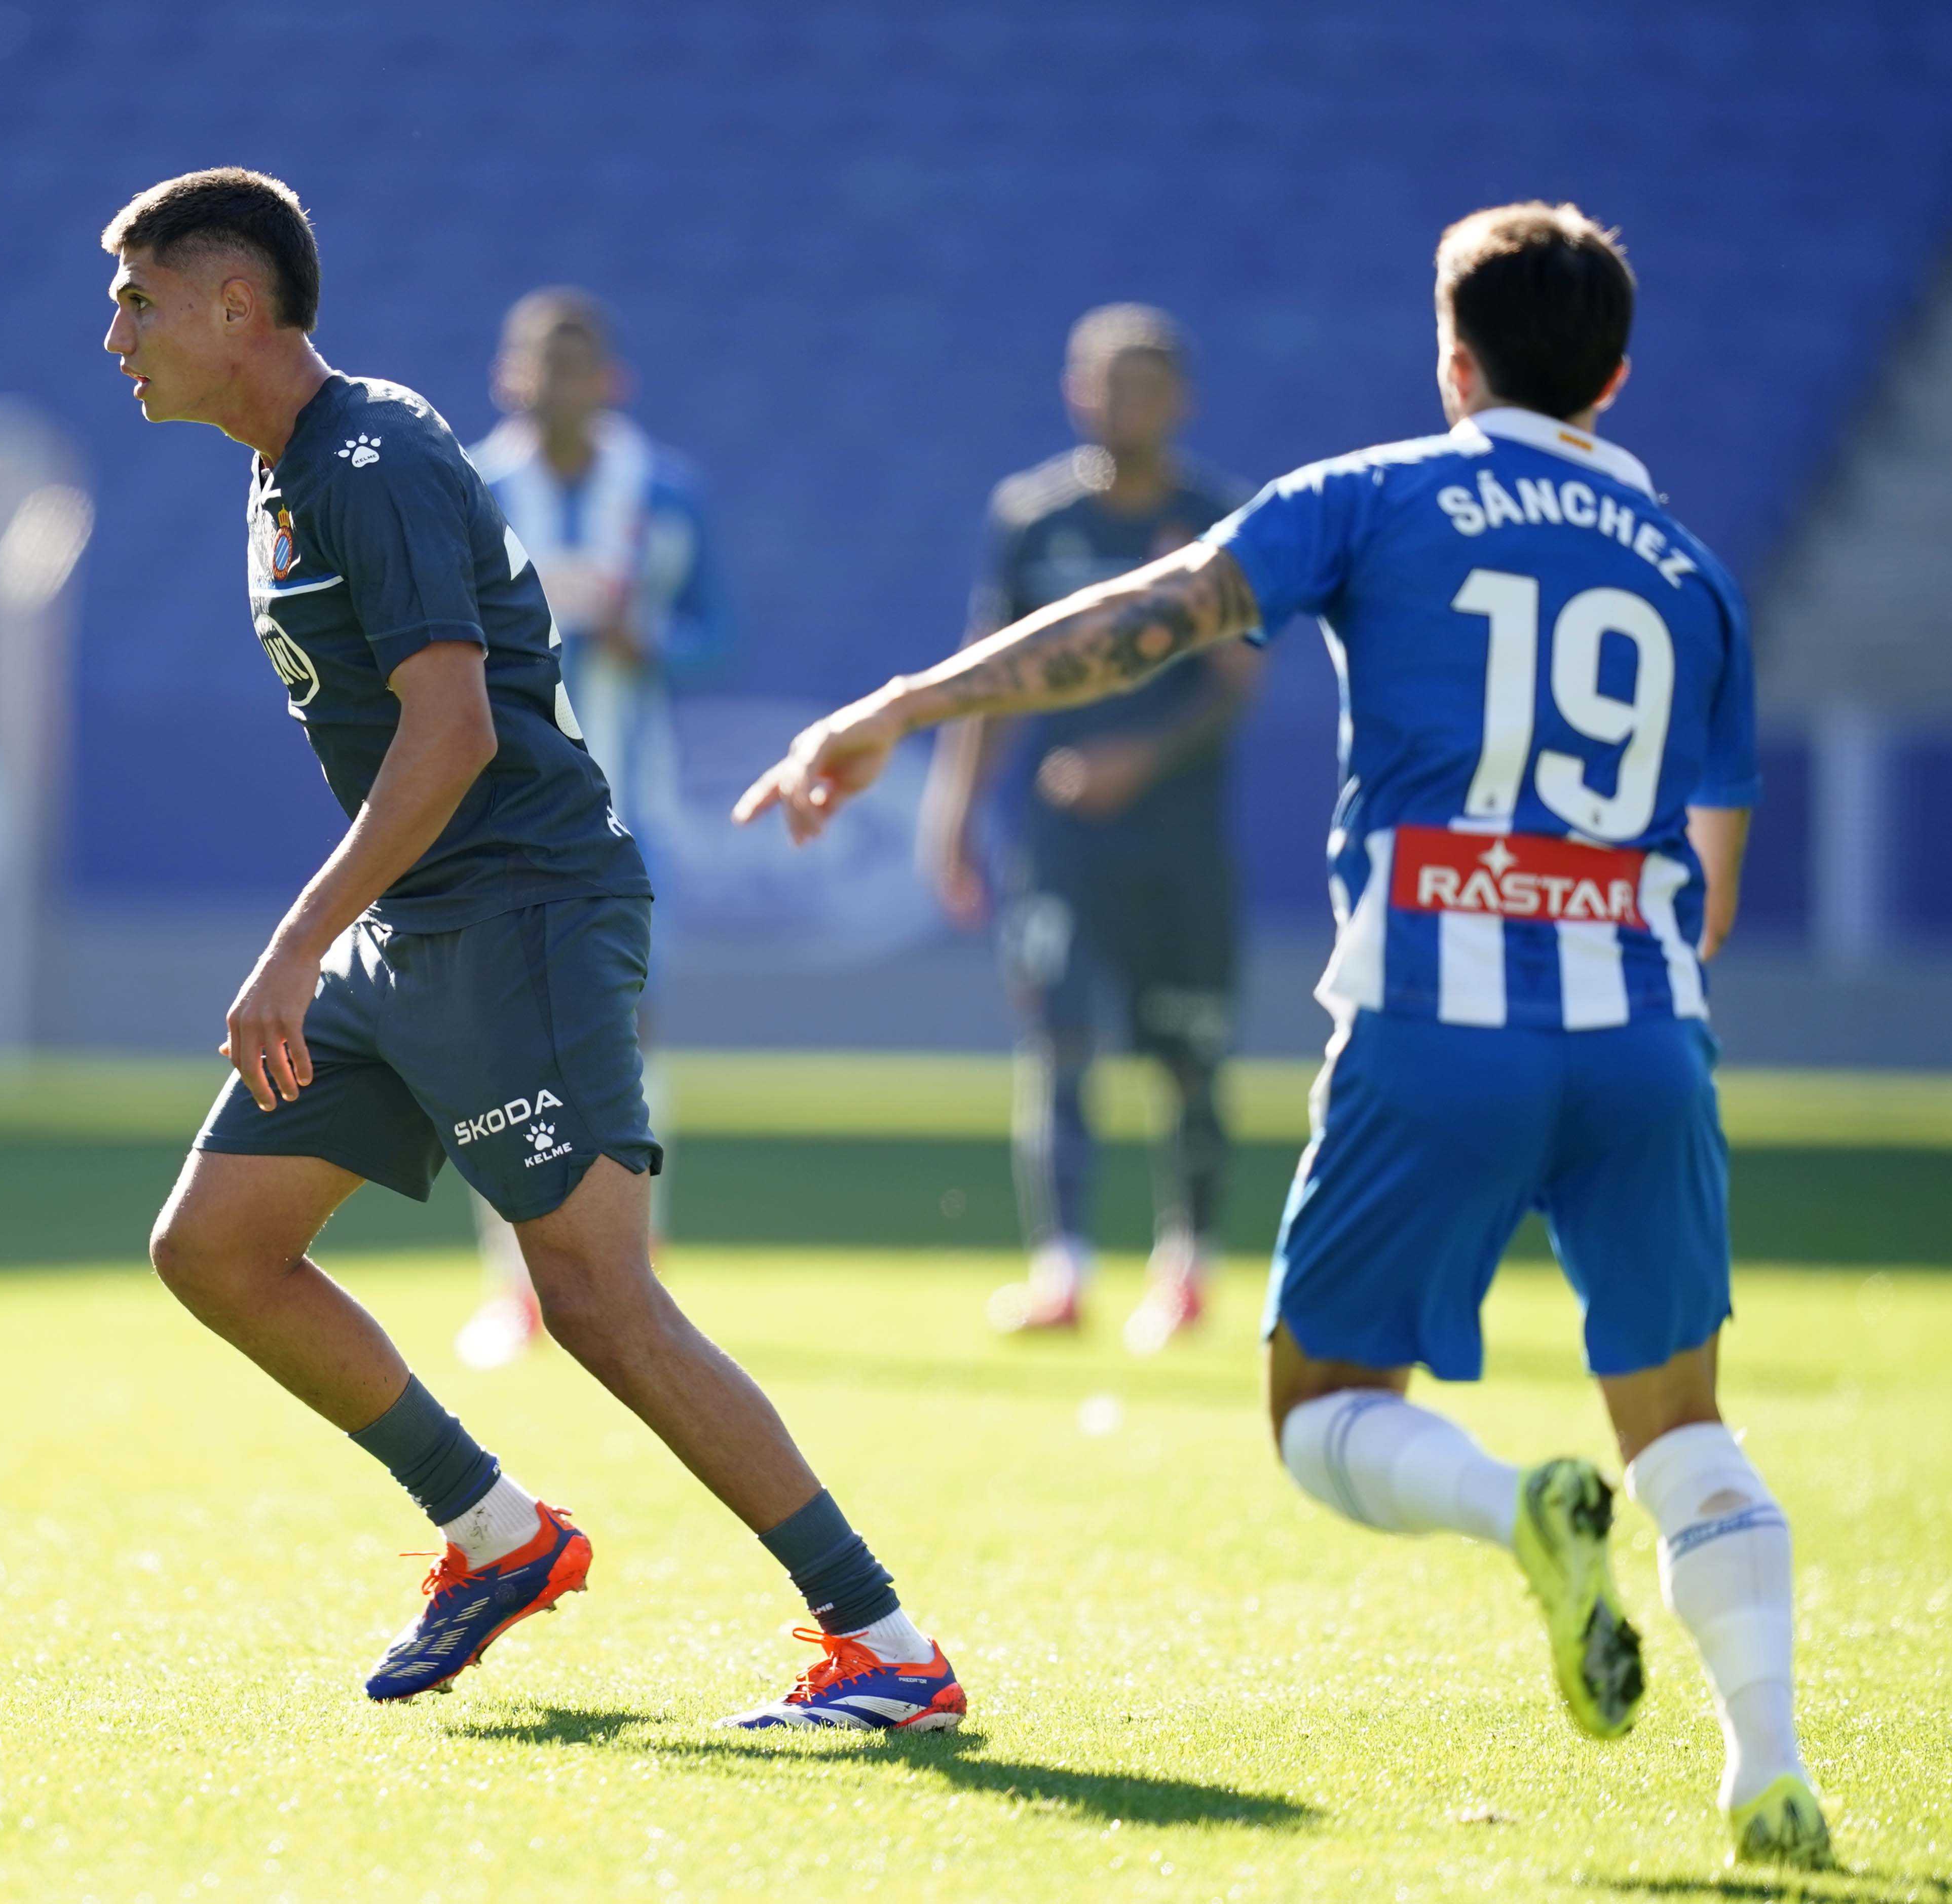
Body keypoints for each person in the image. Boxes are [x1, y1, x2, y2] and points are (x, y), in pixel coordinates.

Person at [737, 203, 1828, 1866]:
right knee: (1681, 1421)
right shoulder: (1691, 573)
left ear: (1451, 361)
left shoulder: (1374, 494)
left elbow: (1149, 612)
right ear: (1612, 374)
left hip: (1430, 1017)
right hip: (1642, 1033)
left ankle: (1511, 1504)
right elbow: (1716, 892)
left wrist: (898, 706)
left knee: (1321, 1407)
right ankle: (1768, 1767)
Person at [101, 168, 960, 1731]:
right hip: (419, 921)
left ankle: (886, 1644)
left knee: (600, 1300)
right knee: (215, 1246)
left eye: (138, 302)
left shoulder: (371, 455)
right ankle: (498, 1532)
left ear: (234, 306)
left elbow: (455, 731)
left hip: (522, 913)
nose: (117, 337)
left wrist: (296, 937)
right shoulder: (285, 471)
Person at [916, 306, 1258, 1352]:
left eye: (1143, 385)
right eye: (1105, 383)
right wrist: (953, 813)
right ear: (1076, 392)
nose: (1122, 404)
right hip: (1062, 837)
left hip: (1180, 836)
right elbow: (991, 673)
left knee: (1186, 1051)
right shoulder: (1033, 517)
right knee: (1057, 1032)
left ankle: (1187, 1264)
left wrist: (1138, 758)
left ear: (1180, 400)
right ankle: (1061, 1267)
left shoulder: (1218, 521)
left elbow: (1239, 679)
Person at [456, 288, 731, 1368]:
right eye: (539, 361)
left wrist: (647, 634)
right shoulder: (471, 487)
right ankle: (512, 1283)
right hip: (497, 811)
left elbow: (718, 629)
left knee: (628, 1033)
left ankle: (634, 1264)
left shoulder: (664, 489)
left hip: (629, 810)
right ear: (506, 376)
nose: (557, 381)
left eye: (577, 362)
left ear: (612, 379)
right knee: (498, 1044)